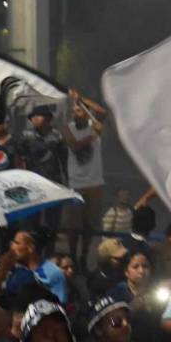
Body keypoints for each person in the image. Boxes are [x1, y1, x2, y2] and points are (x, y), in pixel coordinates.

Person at [107, 250, 171, 342]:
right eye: (135, 266)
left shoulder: (158, 292)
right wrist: (137, 304)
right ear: (126, 271)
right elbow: (112, 324)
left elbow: (165, 327)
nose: (141, 271)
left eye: (145, 266)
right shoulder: (117, 293)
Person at [60, 90, 106, 267]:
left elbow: (102, 112)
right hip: (76, 184)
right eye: (74, 110)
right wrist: (95, 135)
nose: (75, 112)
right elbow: (74, 145)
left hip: (95, 183)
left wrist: (82, 98)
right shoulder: (68, 127)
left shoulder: (94, 124)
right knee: (74, 225)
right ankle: (72, 254)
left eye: (79, 110)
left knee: (90, 224)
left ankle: (84, 256)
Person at [0, 230, 69, 304]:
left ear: (31, 248)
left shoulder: (54, 273)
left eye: (17, 243)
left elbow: (60, 304)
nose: (12, 246)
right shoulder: (15, 270)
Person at [18, 103, 66, 185]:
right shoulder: (26, 136)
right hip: (33, 181)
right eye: (33, 116)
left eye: (39, 115)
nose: (35, 118)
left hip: (54, 181)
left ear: (48, 118)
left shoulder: (57, 136)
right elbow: (19, 159)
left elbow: (64, 161)